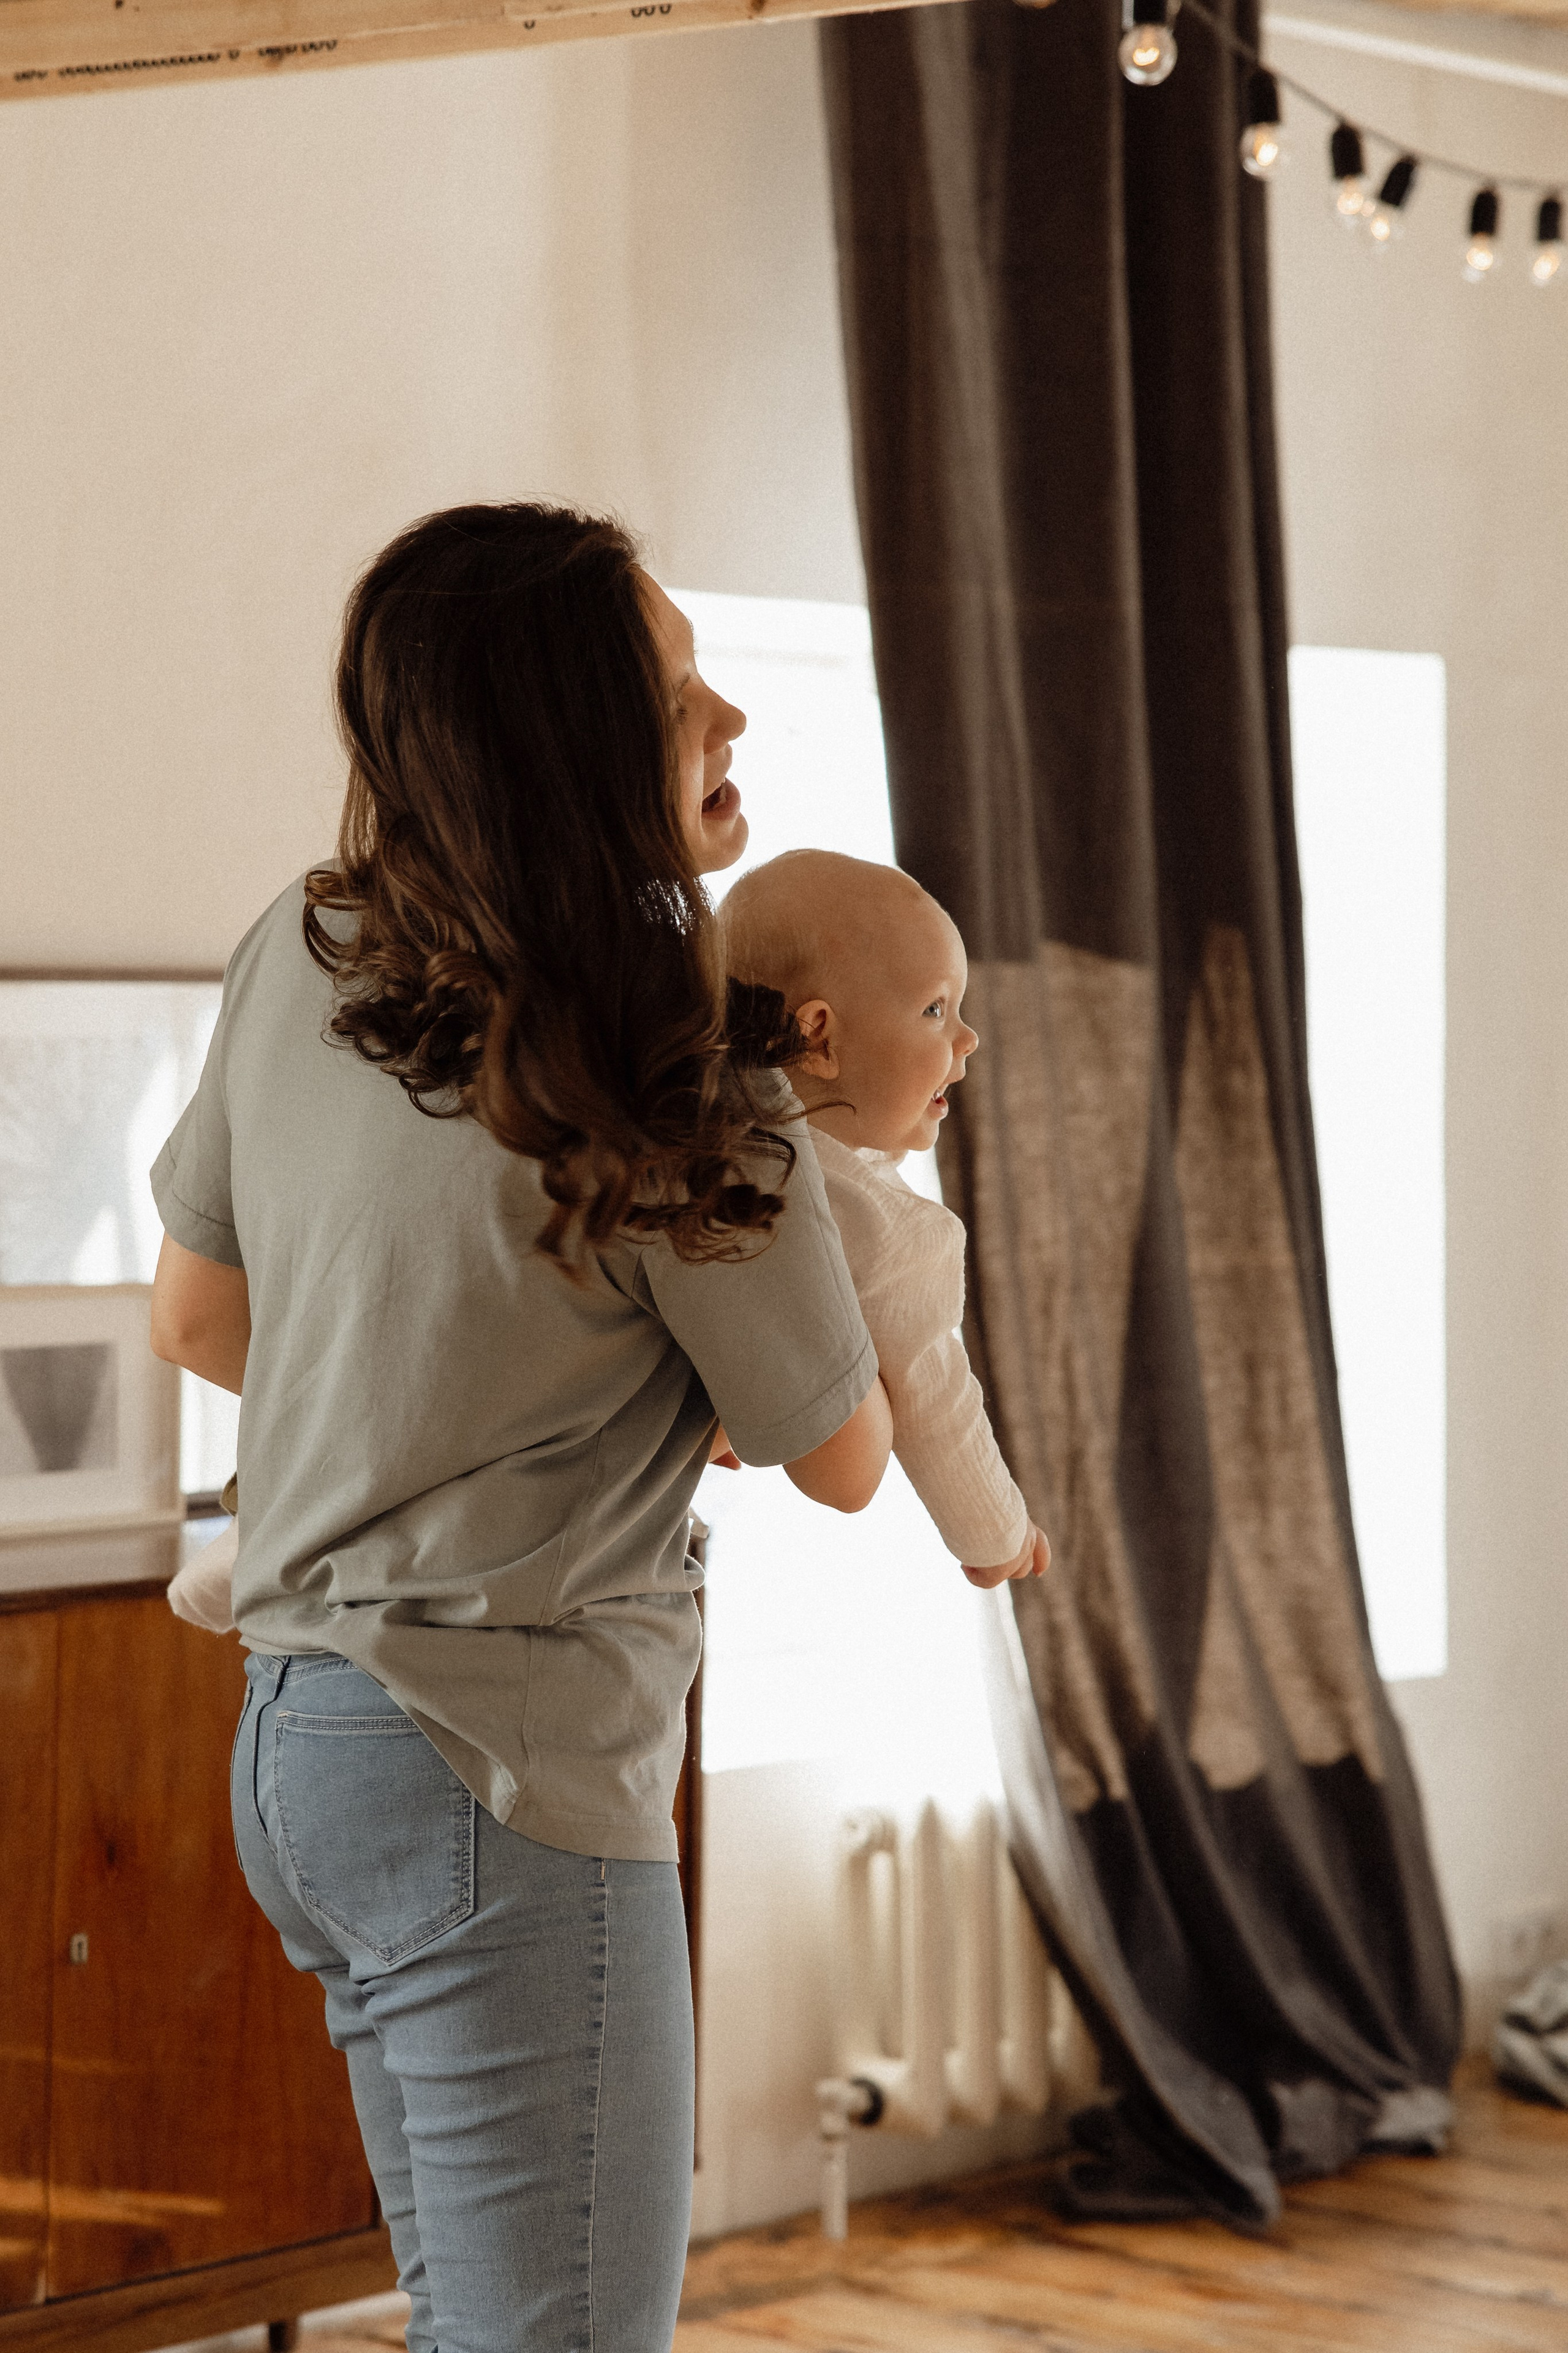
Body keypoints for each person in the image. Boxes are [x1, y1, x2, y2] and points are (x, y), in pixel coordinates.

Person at [146, 504, 893, 2353]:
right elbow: (844, 1447)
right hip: (504, 1766)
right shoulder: (667, 1041)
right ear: (569, 730)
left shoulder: (302, 943)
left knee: (479, 2316)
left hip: (304, 1741)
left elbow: (202, 1313)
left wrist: (480, 1384)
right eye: (672, 684)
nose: (728, 714)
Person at [721, 849, 1051, 1587]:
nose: (965, 1040)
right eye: (935, 1009)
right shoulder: (879, 1222)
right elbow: (935, 1394)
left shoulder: (694, 1122)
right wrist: (997, 1531)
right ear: (819, 1038)